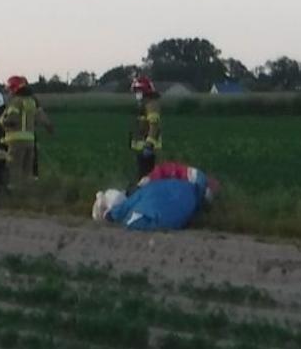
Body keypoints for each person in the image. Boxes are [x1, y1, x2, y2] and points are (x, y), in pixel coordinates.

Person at [92, 161, 220, 231]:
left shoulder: (147, 193)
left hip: (151, 214)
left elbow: (127, 207)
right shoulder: (191, 201)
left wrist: (111, 215)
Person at [1, 76, 55, 182]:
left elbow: (12, 120)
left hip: (15, 140)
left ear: (14, 89)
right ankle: (27, 193)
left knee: (14, 170)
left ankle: (15, 193)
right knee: (27, 171)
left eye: (9, 90)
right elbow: (41, 117)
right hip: (30, 140)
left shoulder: (15, 102)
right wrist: (49, 127)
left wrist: (2, 122)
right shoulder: (32, 101)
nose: (9, 93)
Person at [129, 74, 162, 178]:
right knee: (142, 177)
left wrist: (149, 144)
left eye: (138, 91)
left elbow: (154, 125)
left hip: (147, 148)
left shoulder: (151, 105)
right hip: (142, 148)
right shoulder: (144, 105)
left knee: (146, 178)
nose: (136, 94)